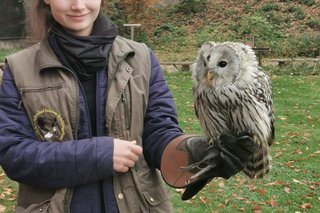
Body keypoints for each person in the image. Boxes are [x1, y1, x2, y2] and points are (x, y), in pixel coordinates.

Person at [0, 0, 257, 212]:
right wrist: (98, 155)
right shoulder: (20, 68)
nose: (78, 5)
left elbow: (159, 132)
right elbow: (14, 154)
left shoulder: (141, 58)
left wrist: (197, 151)